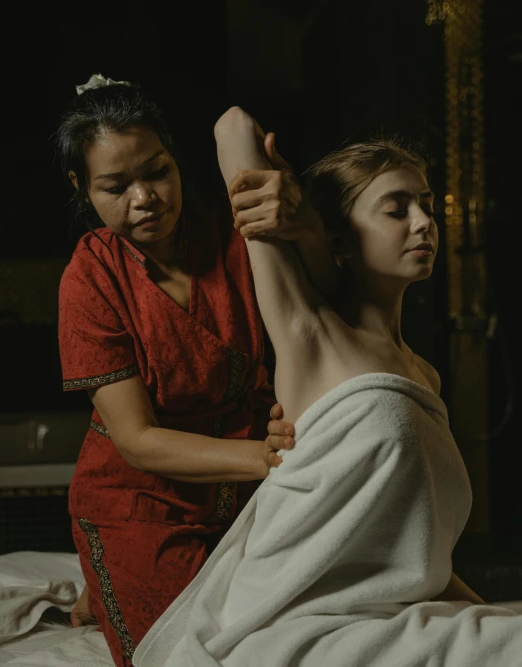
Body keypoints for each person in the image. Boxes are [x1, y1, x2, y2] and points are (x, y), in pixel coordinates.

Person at [131, 107, 522, 667]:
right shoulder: (310, 336)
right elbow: (231, 126)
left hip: (390, 616)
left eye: (427, 205)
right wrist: (301, 214)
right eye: (397, 208)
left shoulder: (425, 376)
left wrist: (499, 618)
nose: (424, 222)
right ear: (338, 235)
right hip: (308, 627)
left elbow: (415, 560)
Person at [55, 78, 333, 666]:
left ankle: (102, 591)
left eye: (156, 171)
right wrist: (264, 455)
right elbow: (136, 439)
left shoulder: (232, 230)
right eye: (116, 185)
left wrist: (302, 219)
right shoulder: (91, 278)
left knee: (297, 632)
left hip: (252, 485)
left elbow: (328, 302)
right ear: (82, 187)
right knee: (185, 652)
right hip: (143, 498)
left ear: (177, 159)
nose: (144, 197)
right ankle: (109, 566)